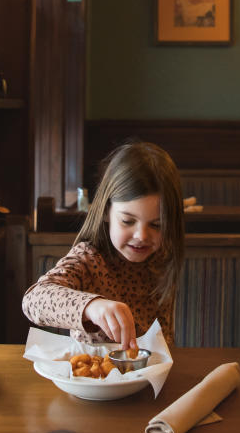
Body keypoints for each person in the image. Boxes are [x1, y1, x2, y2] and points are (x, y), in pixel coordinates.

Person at [22, 141, 185, 350]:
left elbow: (165, 340)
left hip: (150, 375)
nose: (142, 235)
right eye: (127, 221)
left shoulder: (162, 257)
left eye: (157, 224)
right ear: (106, 211)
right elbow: (33, 300)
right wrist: (92, 306)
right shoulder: (89, 258)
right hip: (91, 377)